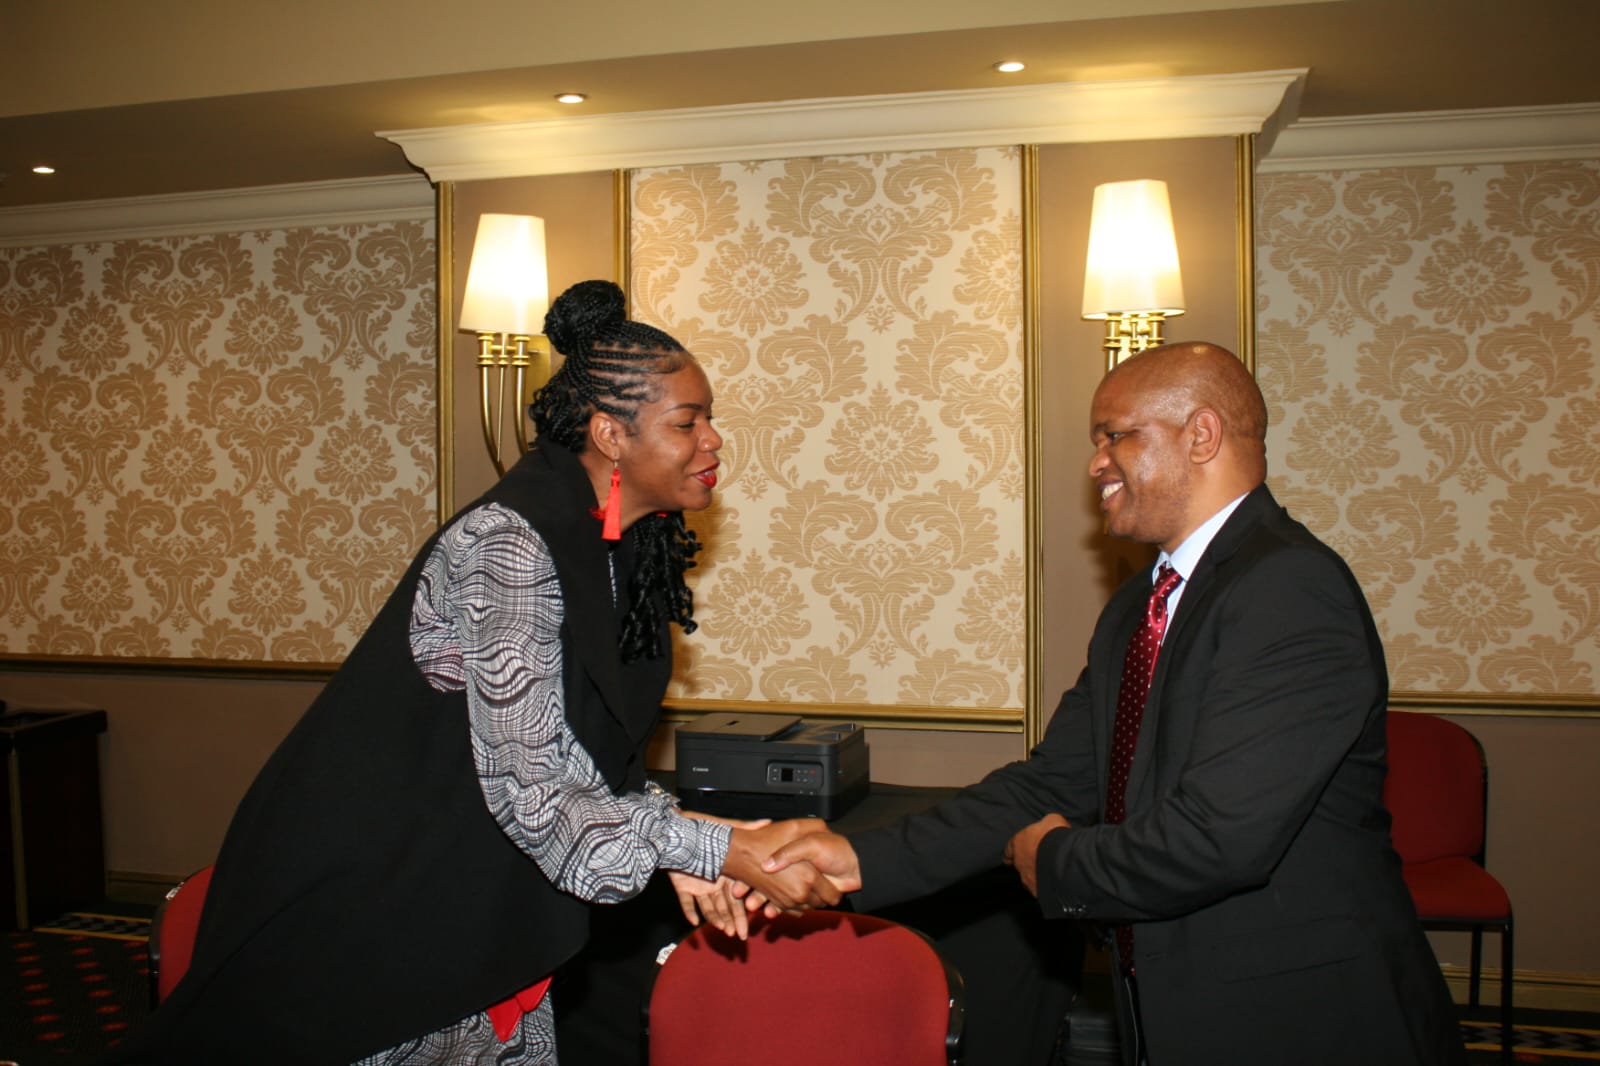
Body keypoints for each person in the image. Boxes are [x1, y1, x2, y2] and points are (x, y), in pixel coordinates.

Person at [111, 279, 838, 1066]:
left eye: (709, 419)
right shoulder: (507, 546)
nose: (713, 440)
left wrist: (681, 844)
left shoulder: (624, 548)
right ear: (610, 433)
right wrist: (708, 849)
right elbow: (535, 793)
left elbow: (579, 754)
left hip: (464, 899)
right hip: (374, 909)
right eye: (687, 422)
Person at [766, 341, 1467, 1066]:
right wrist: (857, 856)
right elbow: (1050, 783)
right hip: (1171, 1001)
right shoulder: (1141, 603)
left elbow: (1217, 838)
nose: (1096, 463)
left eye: (1115, 436)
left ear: (1201, 435)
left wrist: (1052, 860)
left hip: (1302, 1019)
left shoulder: (1289, 588)